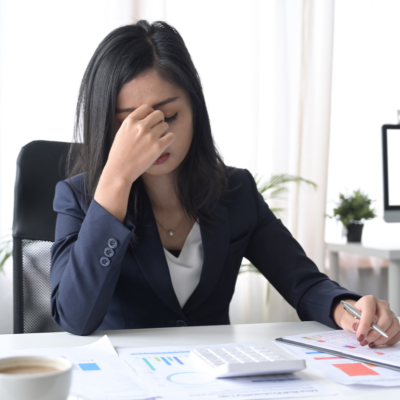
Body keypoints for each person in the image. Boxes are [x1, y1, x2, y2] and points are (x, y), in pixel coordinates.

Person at [50, 20, 400, 346]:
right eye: (131, 126)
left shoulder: (235, 191)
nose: (156, 137)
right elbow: (75, 317)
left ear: (195, 109)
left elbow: (303, 283)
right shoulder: (79, 198)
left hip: (215, 376)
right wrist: (117, 178)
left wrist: (349, 310)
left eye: (169, 116)